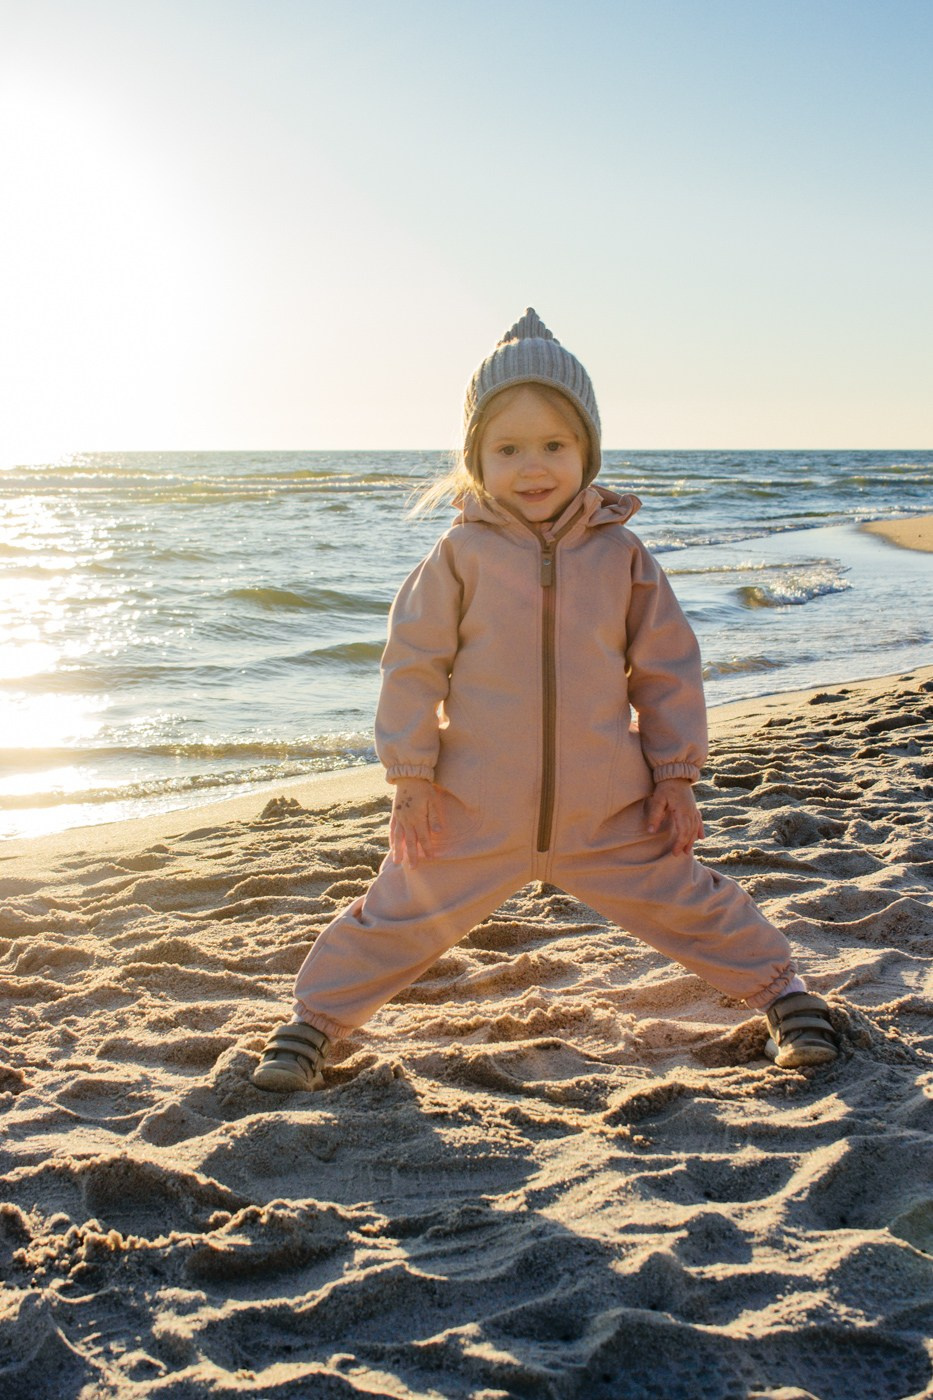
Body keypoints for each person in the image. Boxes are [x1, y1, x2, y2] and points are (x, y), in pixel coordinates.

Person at [252, 309, 838, 1091]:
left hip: (607, 808)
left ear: (587, 450)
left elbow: (666, 668)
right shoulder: (458, 557)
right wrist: (411, 777)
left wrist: (675, 774)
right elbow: (412, 667)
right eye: (508, 449)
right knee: (393, 916)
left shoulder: (622, 556)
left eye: (554, 446)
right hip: (471, 807)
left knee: (690, 897)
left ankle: (784, 998)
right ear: (475, 460)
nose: (533, 466)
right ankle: (312, 1026)